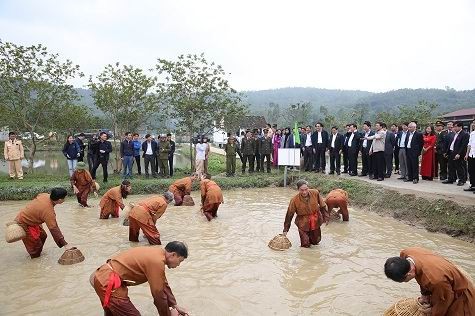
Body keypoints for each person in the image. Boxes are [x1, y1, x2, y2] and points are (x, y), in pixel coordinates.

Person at [91, 242, 189, 316]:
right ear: (173, 255)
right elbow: (158, 294)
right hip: (109, 283)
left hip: (101, 276)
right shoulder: (157, 261)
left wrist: (174, 305)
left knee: (113, 313)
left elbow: (163, 283)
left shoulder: (156, 253)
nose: (178, 264)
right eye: (180, 261)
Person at [384, 247, 474, 315]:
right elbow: (421, 277)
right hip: (442, 285)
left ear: (409, 274)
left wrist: (433, 311)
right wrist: (424, 295)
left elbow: (445, 299)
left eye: (405, 280)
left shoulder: (435, 280)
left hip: (459, 295)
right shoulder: (406, 253)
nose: (405, 282)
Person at [14, 188, 71, 258]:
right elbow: (54, 228)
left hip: (31, 219)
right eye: (65, 197)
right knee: (35, 246)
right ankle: (34, 259)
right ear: (59, 200)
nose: (65, 199)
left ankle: (38, 253)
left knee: (43, 236)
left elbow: (37, 197)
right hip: (24, 222)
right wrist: (65, 244)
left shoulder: (45, 195)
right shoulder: (48, 212)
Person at [282, 180, 329, 248]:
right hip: (302, 222)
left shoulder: (315, 193)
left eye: (306, 189)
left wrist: (326, 217)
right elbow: (289, 215)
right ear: (298, 189)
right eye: (302, 190)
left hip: (315, 220)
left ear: (308, 188)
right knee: (305, 244)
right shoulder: (294, 200)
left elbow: (323, 205)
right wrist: (285, 230)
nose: (304, 192)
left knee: (316, 242)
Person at [443, 122, 470, 186]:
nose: (454, 128)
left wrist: (459, 153)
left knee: (459, 167)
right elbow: (452, 144)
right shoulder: (455, 134)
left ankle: (462, 180)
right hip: (452, 152)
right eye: (454, 126)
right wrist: (447, 152)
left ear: (460, 127)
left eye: (456, 126)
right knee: (450, 166)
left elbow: (463, 145)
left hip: (458, 153)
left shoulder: (464, 134)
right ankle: (451, 179)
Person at [464, 120, 475, 193]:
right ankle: (473, 185)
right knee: (471, 171)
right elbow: (469, 144)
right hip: (471, 154)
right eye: (473, 123)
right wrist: (467, 154)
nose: (473, 124)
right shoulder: (472, 133)